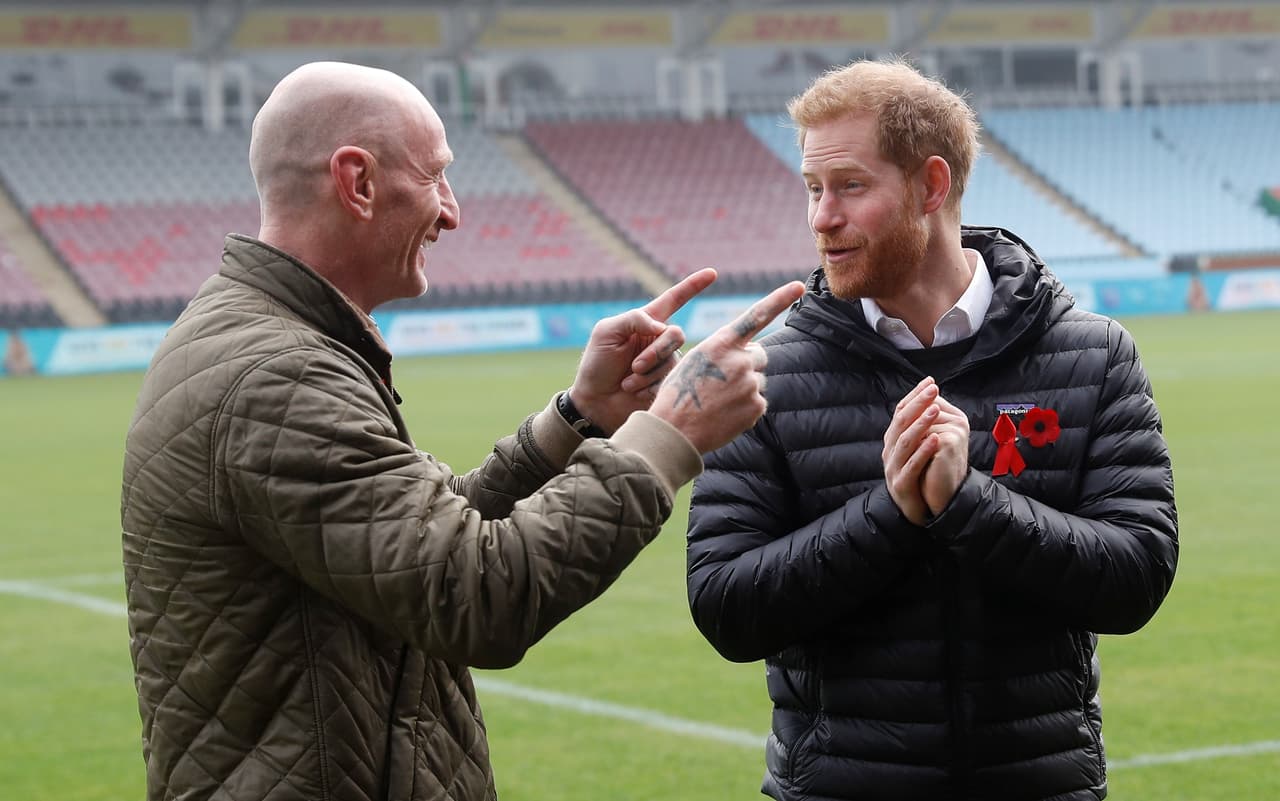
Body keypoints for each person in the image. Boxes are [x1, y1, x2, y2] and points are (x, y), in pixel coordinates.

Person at [121, 61, 804, 801]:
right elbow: (472, 593)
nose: (451, 212)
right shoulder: (276, 376)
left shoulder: (273, 343)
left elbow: (415, 548)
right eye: (436, 176)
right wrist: (668, 435)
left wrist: (580, 418)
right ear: (357, 181)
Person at [686, 58, 1178, 801]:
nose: (822, 218)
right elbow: (727, 609)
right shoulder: (767, 378)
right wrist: (893, 514)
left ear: (932, 186)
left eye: (850, 186)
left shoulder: (1094, 354)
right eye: (813, 189)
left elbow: (1136, 579)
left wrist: (968, 504)